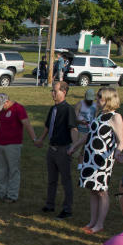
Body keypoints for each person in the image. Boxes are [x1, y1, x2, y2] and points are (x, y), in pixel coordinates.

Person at [75, 87, 123, 234]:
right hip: (90, 157)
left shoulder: (115, 117)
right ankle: (92, 221)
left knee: (102, 191)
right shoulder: (99, 115)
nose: (96, 100)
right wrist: (74, 147)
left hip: (102, 159)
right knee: (92, 189)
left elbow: (121, 141)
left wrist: (117, 153)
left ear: (108, 100)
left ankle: (99, 224)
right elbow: (88, 135)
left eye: (100, 98)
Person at [34, 81, 78, 218]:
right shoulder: (53, 109)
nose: (53, 93)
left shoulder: (68, 109)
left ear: (63, 92)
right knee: (51, 179)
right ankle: (50, 204)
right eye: (52, 91)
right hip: (51, 149)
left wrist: (74, 146)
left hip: (63, 149)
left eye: (55, 91)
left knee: (66, 180)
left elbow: (73, 128)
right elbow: (48, 126)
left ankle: (67, 209)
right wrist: (41, 139)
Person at [0, 93, 37, 202]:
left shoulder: (18, 109)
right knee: (2, 169)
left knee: (13, 170)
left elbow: (27, 124)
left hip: (13, 144)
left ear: (6, 101)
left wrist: (34, 139)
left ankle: (12, 195)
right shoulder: (3, 110)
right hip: (1, 143)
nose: (2, 109)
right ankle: (2, 192)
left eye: (2, 106)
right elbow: (1, 123)